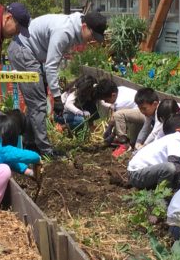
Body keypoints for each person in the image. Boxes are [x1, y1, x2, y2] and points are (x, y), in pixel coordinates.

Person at [6, 10, 108, 158]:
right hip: (23, 52)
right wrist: (57, 98)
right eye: (92, 35)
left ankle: (30, 143)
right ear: (84, 26)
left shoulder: (73, 29)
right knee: (39, 104)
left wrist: (48, 81)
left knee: (35, 103)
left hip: (30, 54)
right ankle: (45, 150)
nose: (92, 40)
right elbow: (51, 66)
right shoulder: (65, 31)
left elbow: (53, 60)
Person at [126, 125, 180, 191]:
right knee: (171, 168)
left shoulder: (179, 140)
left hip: (146, 172)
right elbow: (174, 164)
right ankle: (161, 198)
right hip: (136, 175)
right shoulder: (176, 141)